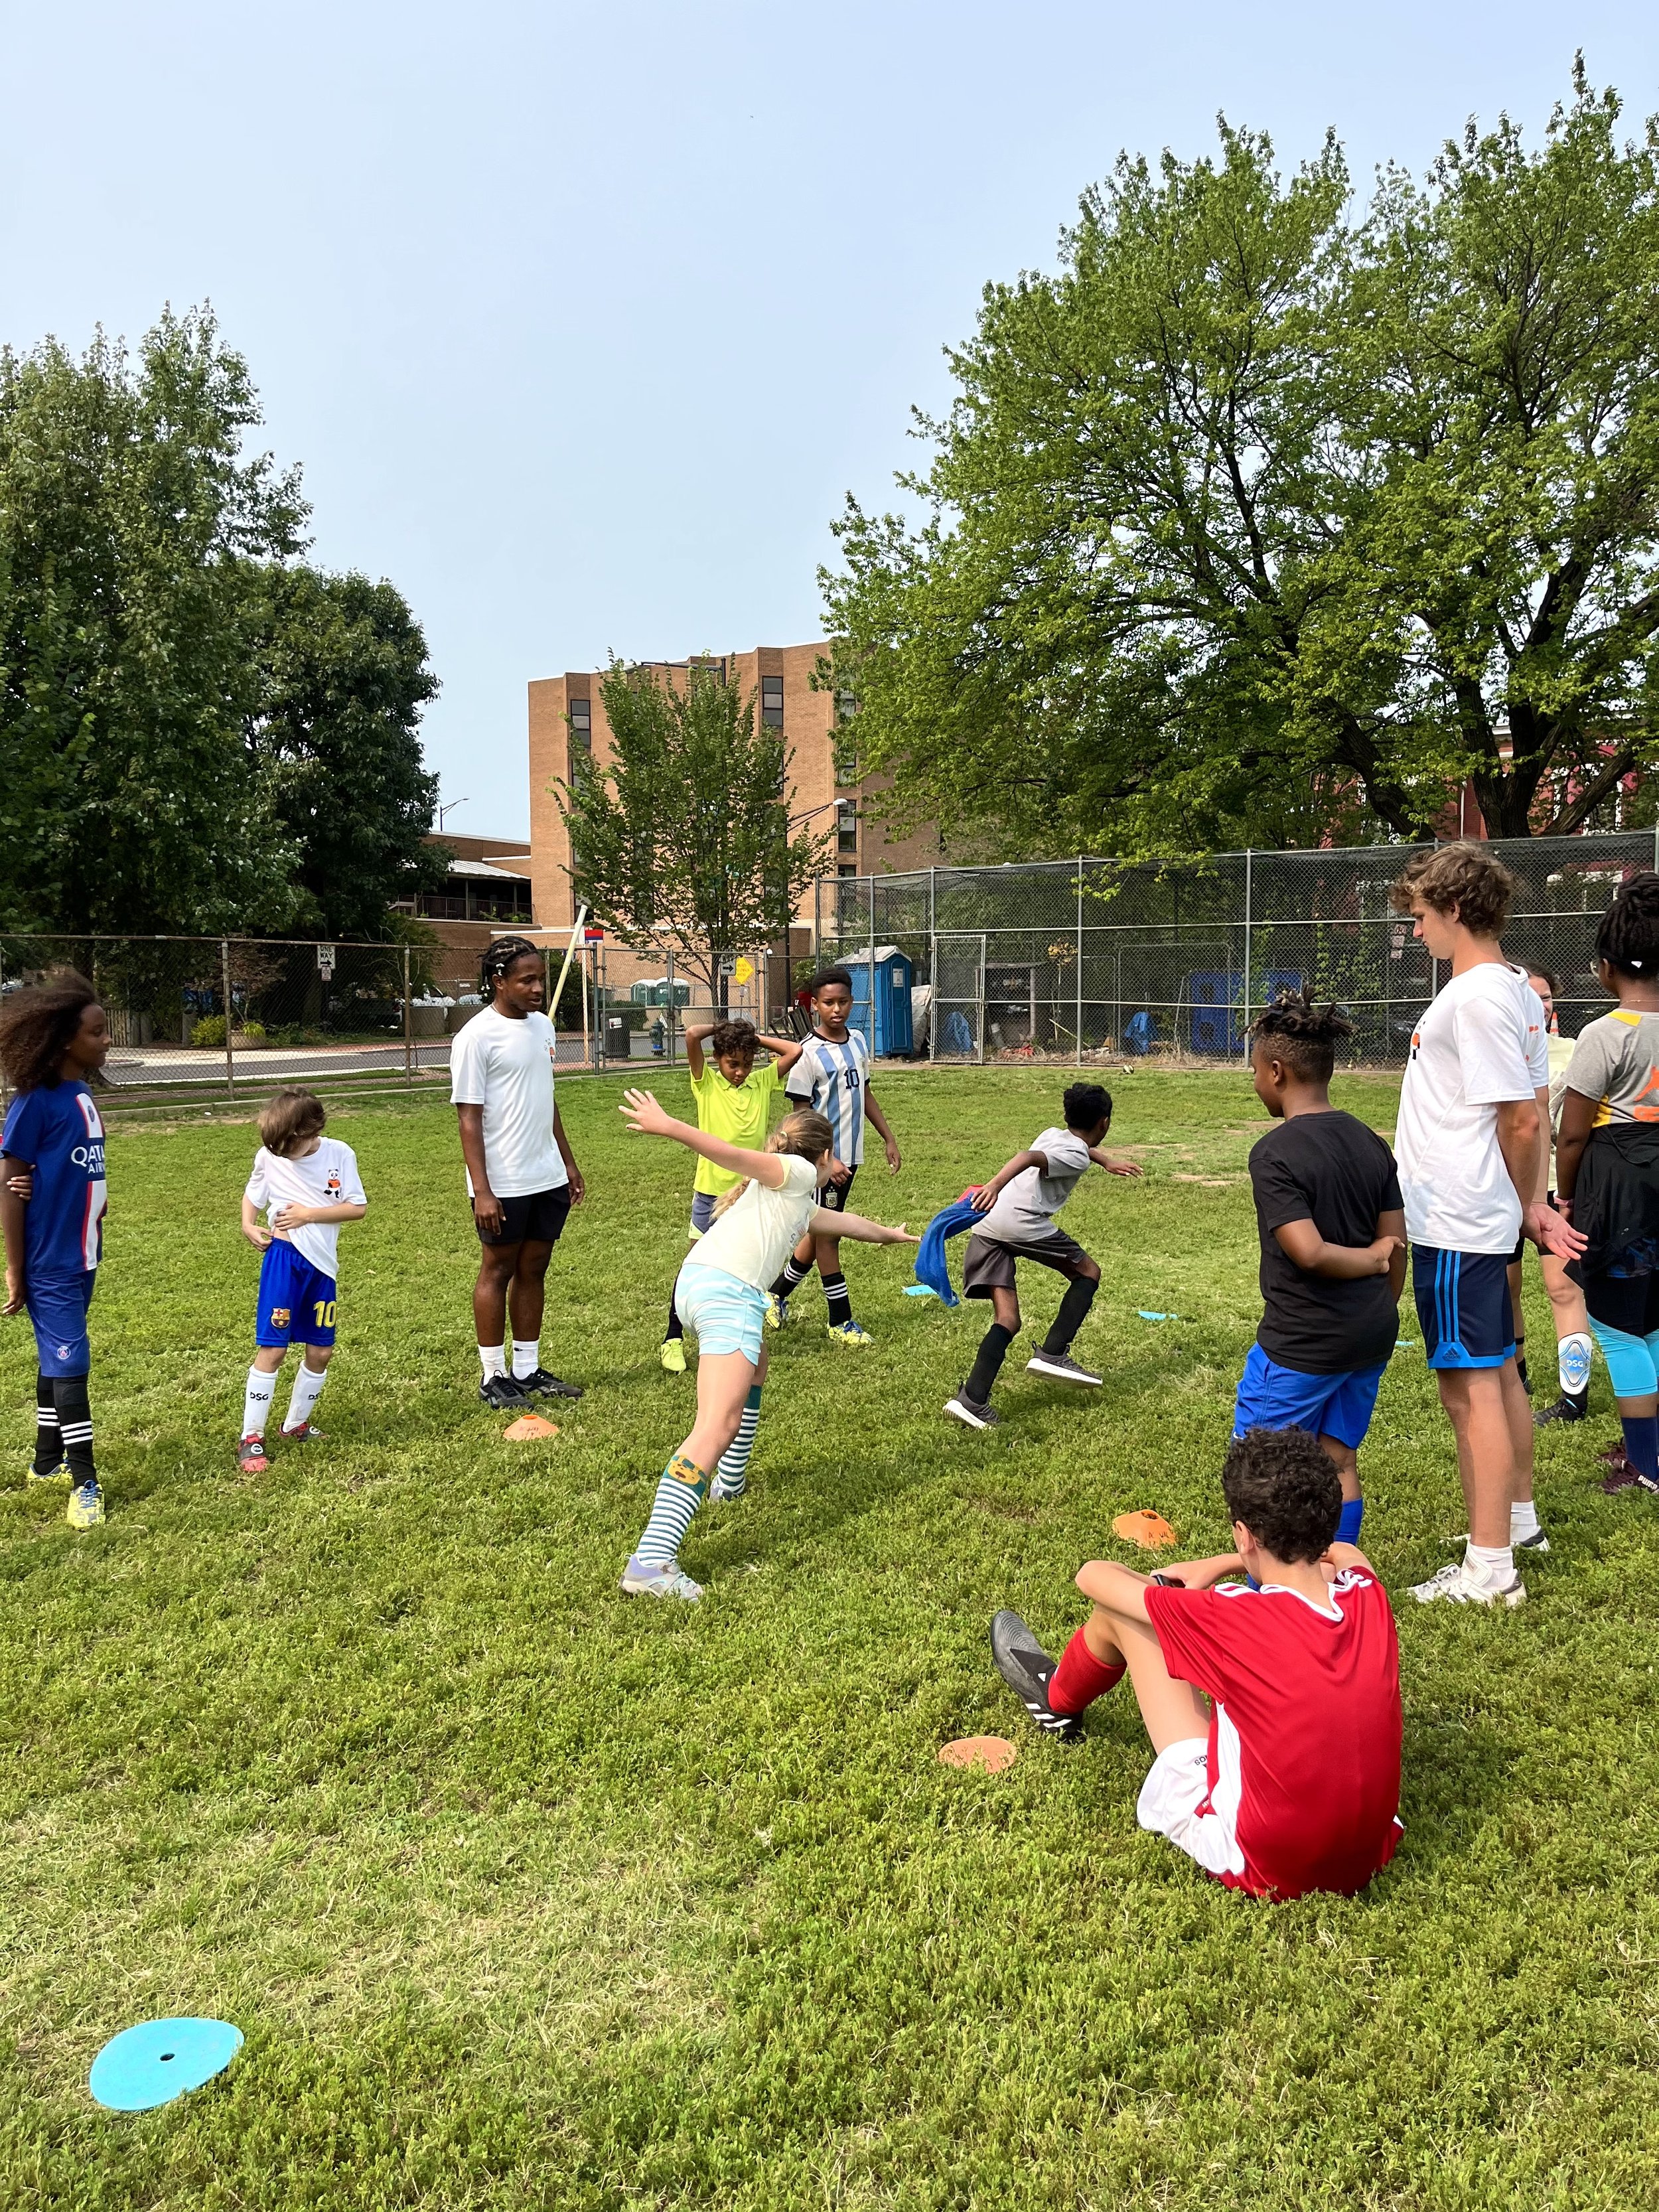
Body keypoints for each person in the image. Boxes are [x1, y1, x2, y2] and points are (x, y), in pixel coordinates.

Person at [989, 1426, 1403, 1900]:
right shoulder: (1368, 1595)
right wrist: (1238, 1559)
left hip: (1264, 1863)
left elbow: (1093, 1577)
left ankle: (1057, 1699)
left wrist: (1215, 1565)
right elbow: (1346, 1555)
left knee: (1121, 1614)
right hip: (1368, 1851)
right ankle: (1059, 1699)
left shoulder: (1233, 1614)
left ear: (1246, 1534)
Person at [617, 1088, 916, 1601]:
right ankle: (651, 1561)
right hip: (727, 1294)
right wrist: (671, 1126)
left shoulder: (798, 1201)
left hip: (702, 1284)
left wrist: (891, 1234)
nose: (840, 1164)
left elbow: (844, 1224)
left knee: (756, 1367)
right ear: (821, 1156)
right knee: (716, 1425)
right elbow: (733, 1156)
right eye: (837, 1154)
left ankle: (728, 1483)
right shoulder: (797, 1174)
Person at [1389, 843, 1582, 1609]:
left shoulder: (1475, 997)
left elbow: (1524, 1119)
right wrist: (1527, 1204)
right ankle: (1514, 1523)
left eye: (1421, 918)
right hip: (1482, 1214)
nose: (1416, 934)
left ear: (1456, 911)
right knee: (1497, 1373)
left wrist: (1521, 1202)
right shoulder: (1514, 992)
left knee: (1468, 1387)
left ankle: (1490, 1570)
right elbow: (1532, 1097)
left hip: (1459, 1217)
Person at [1234, 995, 1405, 1545]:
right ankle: (1342, 1571)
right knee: (1336, 1458)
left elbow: (1308, 1250)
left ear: (1278, 1072)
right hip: (1370, 1336)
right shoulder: (1369, 1141)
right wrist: (1379, 1294)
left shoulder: (1274, 1153)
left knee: (1261, 1471)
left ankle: (1272, 1596)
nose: (1255, 1081)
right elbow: (1396, 1244)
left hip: (1301, 1344)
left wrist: (1371, 1259)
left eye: (1256, 1071)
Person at [944, 1081, 1141, 1430]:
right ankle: (1054, 1352)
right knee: (1088, 1272)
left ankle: (972, 1400)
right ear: (1105, 1123)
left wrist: (1107, 1161)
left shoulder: (1054, 1134)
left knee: (1008, 1319)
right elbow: (1028, 1158)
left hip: (987, 1225)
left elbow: (1074, 1150)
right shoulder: (1076, 1154)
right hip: (1020, 1224)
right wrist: (993, 1184)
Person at [1554, 874, 1659, 1497]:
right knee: (1655, 1319)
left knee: (1619, 1325)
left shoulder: (1603, 1034)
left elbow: (1572, 1134)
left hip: (1616, 1185)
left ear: (1605, 966)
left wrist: (1565, 1196)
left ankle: (1646, 1463)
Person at [451, 936, 586, 1410]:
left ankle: (527, 1369)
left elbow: (547, 1099)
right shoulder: (475, 1037)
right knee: (498, 1268)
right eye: (526, 979)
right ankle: (493, 1375)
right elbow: (469, 1117)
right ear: (498, 981)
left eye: (540, 979)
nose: (537, 988)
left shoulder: (543, 1028)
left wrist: (567, 1162)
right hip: (502, 1182)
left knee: (534, 1267)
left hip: (544, 1174)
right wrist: (482, 1190)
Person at [0, 972, 112, 1530]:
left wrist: (94, 1206)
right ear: (66, 1039)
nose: (106, 1039)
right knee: (74, 1362)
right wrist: (15, 1268)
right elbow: (8, 1178)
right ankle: (84, 1483)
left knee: (57, 1356)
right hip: (49, 1264)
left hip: (84, 1254)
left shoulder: (83, 1094)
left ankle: (46, 1461)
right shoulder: (34, 1102)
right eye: (97, 1032)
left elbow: (83, 1173)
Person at [767, 966, 902, 1346]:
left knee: (819, 1228)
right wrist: (827, 1160)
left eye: (843, 1001)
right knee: (829, 1236)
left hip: (851, 1158)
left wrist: (888, 1138)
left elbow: (866, 1094)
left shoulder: (858, 1041)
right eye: (828, 1003)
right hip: (824, 1165)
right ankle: (840, 1322)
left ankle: (775, 1295)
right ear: (815, 1006)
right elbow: (800, 1117)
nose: (836, 1009)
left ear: (852, 1002)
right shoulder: (807, 1054)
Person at [660, 1015, 802, 1373]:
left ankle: (743, 1324)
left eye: (746, 1064)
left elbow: (794, 1050)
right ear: (717, 1059)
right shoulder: (705, 1084)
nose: (740, 1072)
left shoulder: (761, 1082)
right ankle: (673, 1338)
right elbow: (692, 1035)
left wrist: (754, 1038)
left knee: (749, 1261)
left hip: (748, 1193)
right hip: (710, 1193)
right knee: (694, 1263)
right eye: (732, 1064)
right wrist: (724, 1029)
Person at [236, 1088, 368, 1473]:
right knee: (274, 1349)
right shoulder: (270, 1155)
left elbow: (356, 1207)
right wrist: (248, 1224)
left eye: (285, 1146)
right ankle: (252, 1437)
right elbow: (253, 1194)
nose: (278, 1153)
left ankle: (295, 1424)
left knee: (321, 1351)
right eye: (274, 1147)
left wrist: (309, 1214)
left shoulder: (339, 1154)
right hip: (283, 1261)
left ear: (311, 1132)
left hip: (322, 1269)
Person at [1510, 964, 1595, 1428]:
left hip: (1554, 1187)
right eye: (1531, 996)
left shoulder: (1575, 1049)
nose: (1540, 1005)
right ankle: (1516, 1378)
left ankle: (1573, 1397)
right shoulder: (1498, 1047)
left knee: (1563, 1286)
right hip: (1504, 1187)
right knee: (1506, 1287)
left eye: (1546, 997)